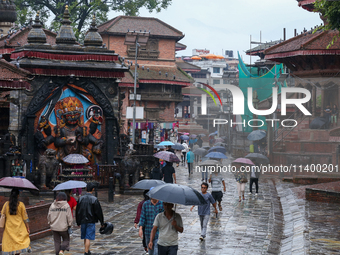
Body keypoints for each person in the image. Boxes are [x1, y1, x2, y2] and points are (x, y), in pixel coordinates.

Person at [76, 182, 104, 255]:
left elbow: (78, 211)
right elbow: (98, 212)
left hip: (82, 220)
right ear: (93, 189)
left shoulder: (81, 199)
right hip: (91, 220)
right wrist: (102, 222)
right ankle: (86, 252)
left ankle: (87, 250)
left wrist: (78, 221)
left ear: (86, 189)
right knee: (88, 236)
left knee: (85, 236)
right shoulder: (94, 199)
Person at [1, 188, 31, 255]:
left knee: (10, 246)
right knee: (18, 248)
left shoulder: (6, 204)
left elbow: (2, 214)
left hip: (9, 229)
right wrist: (28, 228)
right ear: (18, 195)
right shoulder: (21, 204)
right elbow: (25, 218)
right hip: (19, 229)